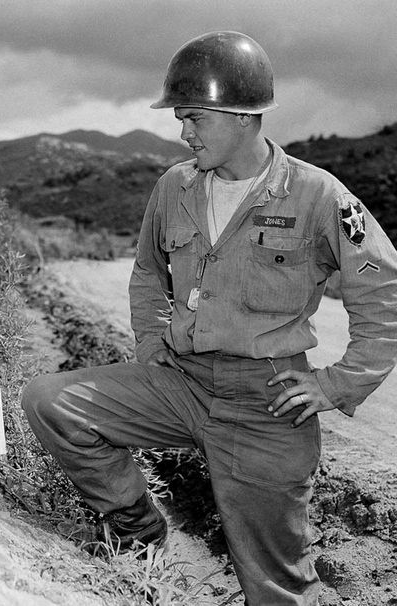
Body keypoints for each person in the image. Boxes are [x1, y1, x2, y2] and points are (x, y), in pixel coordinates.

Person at [21, 30, 397, 605]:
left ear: (244, 115)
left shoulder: (320, 196)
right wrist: (151, 346)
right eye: (180, 117)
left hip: (266, 403)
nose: (183, 131)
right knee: (51, 402)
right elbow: (148, 272)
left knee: (276, 587)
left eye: (195, 116)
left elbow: (384, 291)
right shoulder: (175, 186)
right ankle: (139, 533)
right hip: (181, 381)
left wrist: (337, 383)